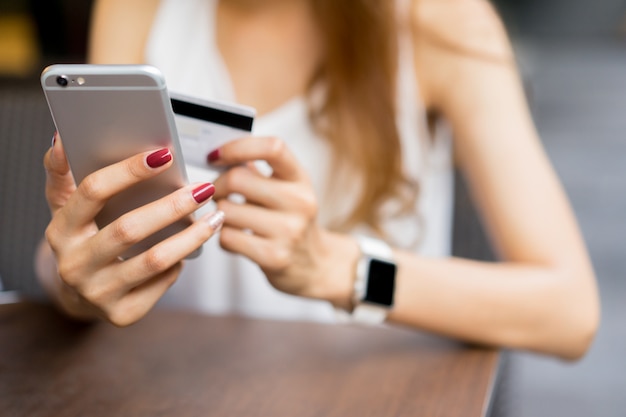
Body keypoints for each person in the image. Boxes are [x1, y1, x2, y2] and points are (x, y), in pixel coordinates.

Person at [35, 0, 600, 360]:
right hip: (173, 385)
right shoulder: (138, 9)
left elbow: (568, 313)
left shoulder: (440, 19)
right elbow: (68, 265)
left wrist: (337, 267)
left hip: (373, 391)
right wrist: (76, 279)